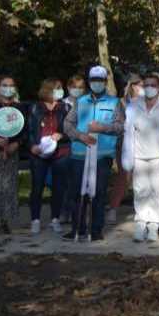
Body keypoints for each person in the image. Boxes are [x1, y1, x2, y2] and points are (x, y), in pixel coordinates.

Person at [62, 66, 125, 242]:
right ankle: (78, 228)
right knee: (76, 193)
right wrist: (79, 136)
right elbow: (67, 125)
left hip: (102, 156)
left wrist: (103, 128)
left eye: (100, 80)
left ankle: (96, 229)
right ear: (89, 82)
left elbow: (121, 127)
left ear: (105, 82)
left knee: (98, 193)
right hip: (79, 154)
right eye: (93, 80)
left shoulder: (114, 102)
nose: (96, 83)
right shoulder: (80, 101)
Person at [121, 73, 159, 242]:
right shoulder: (134, 105)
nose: (149, 88)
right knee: (140, 190)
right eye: (146, 85)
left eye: (153, 85)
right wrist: (127, 159)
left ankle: (153, 225)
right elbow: (128, 133)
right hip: (139, 155)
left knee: (157, 191)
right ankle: (140, 223)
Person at [26, 79, 70, 235]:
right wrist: (32, 146)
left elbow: (72, 130)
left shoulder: (65, 108)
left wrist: (62, 135)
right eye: (57, 88)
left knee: (58, 187)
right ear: (48, 90)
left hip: (60, 152)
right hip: (38, 152)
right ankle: (35, 220)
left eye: (61, 88)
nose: (61, 91)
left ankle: (55, 219)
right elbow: (29, 130)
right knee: (37, 186)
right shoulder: (34, 108)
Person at [106, 73, 142, 225]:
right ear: (132, 86)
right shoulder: (121, 102)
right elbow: (118, 122)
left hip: (144, 144)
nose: (142, 88)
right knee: (124, 176)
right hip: (125, 143)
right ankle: (113, 208)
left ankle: (140, 210)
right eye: (140, 85)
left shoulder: (148, 102)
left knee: (142, 177)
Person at [0, 75, 27, 234]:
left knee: (9, 186)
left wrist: (17, 143)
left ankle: (6, 220)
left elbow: (25, 131)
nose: (8, 88)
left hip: (12, 152)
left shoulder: (19, 107)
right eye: (4, 85)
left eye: (11, 85)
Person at [61, 75, 86, 224]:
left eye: (81, 87)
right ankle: (65, 211)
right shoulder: (62, 104)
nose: (77, 90)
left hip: (83, 145)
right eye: (74, 87)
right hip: (66, 146)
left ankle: (80, 212)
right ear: (68, 87)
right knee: (67, 182)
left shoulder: (87, 103)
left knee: (80, 181)